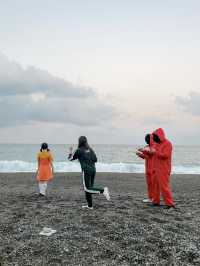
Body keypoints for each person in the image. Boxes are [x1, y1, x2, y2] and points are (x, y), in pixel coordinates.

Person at [68, 136, 110, 210]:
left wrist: (70, 151)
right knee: (89, 188)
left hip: (86, 171)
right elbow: (95, 159)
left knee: (87, 188)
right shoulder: (90, 149)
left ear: (79, 142)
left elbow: (70, 159)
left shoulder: (79, 150)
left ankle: (103, 190)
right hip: (93, 170)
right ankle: (90, 206)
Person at [151, 128, 175, 209]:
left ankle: (170, 204)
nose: (154, 139)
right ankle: (155, 202)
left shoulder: (168, 144)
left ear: (159, 136)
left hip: (164, 168)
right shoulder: (156, 143)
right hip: (155, 167)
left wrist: (155, 152)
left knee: (164, 187)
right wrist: (144, 151)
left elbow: (166, 155)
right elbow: (152, 154)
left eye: (155, 137)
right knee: (155, 186)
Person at [136, 134, 155, 203]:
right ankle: (150, 198)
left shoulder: (154, 146)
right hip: (147, 168)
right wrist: (140, 155)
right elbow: (146, 156)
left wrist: (143, 150)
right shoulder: (146, 147)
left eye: (148, 139)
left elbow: (151, 153)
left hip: (154, 168)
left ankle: (155, 198)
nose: (147, 140)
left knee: (154, 184)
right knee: (149, 184)